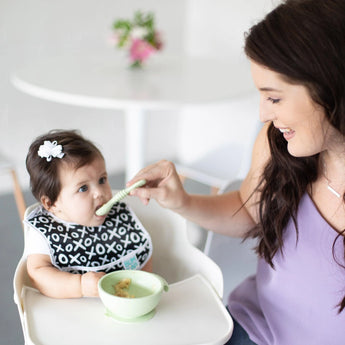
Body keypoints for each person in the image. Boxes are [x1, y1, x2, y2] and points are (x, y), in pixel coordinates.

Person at [127, 0, 345, 344]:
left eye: (274, 98)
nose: (262, 114)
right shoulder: (279, 145)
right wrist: (181, 201)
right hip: (253, 329)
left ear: (329, 86)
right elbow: (248, 209)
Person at [24, 130, 152, 298]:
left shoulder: (119, 217)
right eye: (83, 188)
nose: (100, 193)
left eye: (102, 180)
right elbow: (38, 274)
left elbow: (141, 254)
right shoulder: (45, 232)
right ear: (52, 204)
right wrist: (80, 286)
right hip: (73, 310)